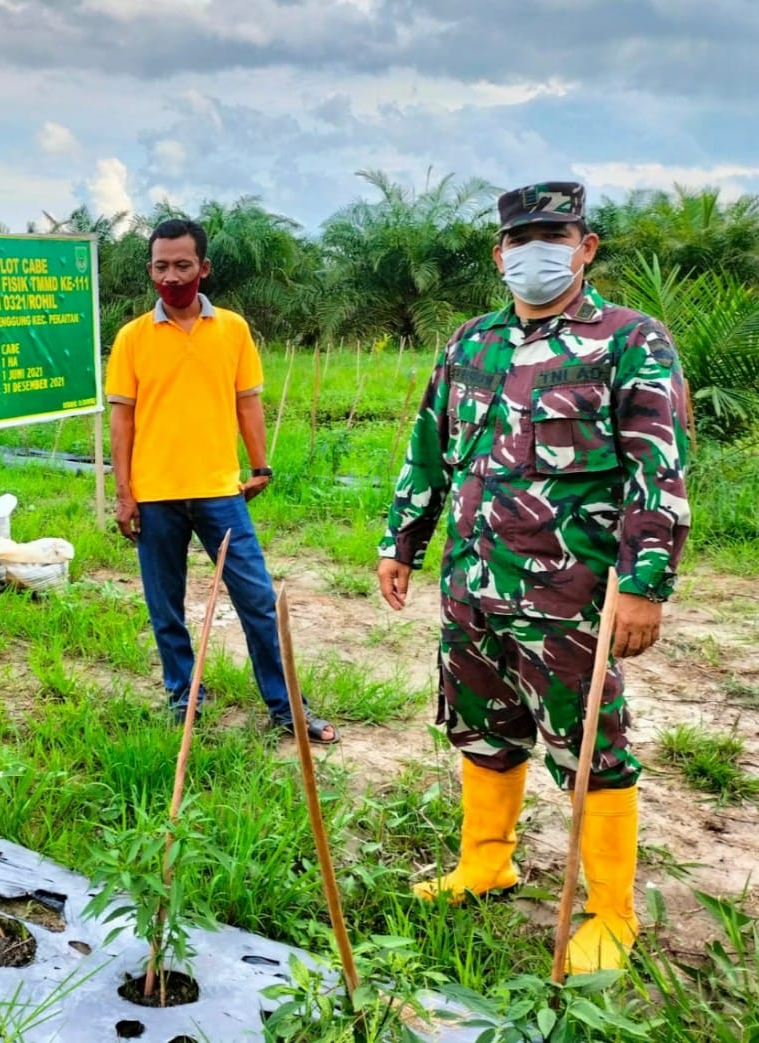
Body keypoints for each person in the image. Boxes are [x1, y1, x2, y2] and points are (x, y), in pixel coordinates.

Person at [376, 182, 690, 973]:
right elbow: (427, 448)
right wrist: (401, 542)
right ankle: (487, 861)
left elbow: (660, 467)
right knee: (481, 725)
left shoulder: (629, 342)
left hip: (570, 597)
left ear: (586, 246)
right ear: (499, 254)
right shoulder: (469, 343)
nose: (534, 252)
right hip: (472, 586)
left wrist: (647, 582)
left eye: (554, 234)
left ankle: (611, 912)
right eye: (520, 239)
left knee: (590, 746)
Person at [106, 218, 338, 744]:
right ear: (150, 271)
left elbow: (247, 402)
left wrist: (260, 466)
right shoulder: (132, 338)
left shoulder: (232, 329)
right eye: (161, 266)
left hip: (219, 492)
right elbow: (122, 419)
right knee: (166, 608)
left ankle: (288, 709)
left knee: (256, 600)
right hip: (155, 495)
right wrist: (124, 494)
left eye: (182, 265)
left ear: (203, 269)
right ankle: (183, 698)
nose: (171, 276)